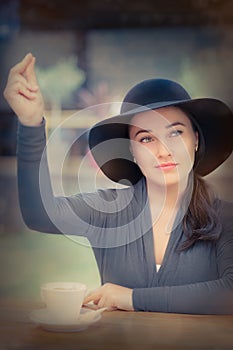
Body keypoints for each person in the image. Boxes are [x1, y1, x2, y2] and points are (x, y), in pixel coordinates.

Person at [4, 53, 233, 314]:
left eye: (175, 132)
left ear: (195, 139)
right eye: (146, 139)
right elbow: (39, 214)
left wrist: (131, 298)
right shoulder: (108, 211)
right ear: (132, 152)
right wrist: (31, 123)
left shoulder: (226, 219)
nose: (163, 150)